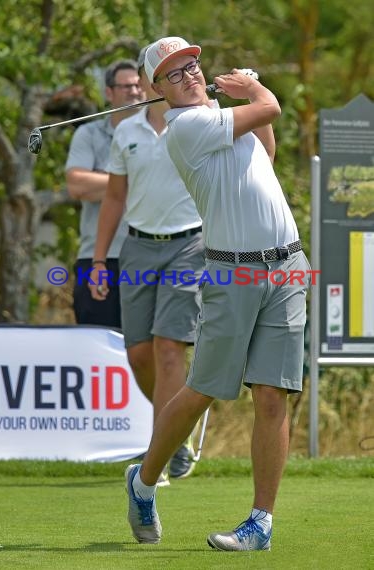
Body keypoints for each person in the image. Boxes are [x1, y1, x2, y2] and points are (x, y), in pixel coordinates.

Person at [124, 37, 311, 550]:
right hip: (234, 275)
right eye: (173, 73)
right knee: (203, 391)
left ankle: (260, 524)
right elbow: (270, 105)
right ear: (156, 90)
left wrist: (248, 101)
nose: (187, 75)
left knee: (274, 394)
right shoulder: (186, 128)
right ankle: (143, 482)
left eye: (191, 65)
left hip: (288, 266)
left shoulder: (224, 117)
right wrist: (254, 89)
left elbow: (266, 152)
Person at [88, 46, 204, 483]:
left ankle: (165, 449)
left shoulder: (197, 122)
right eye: (164, 73)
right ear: (152, 85)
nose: (177, 77)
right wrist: (99, 260)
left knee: (169, 345)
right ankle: (177, 431)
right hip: (136, 247)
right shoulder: (126, 132)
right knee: (138, 353)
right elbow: (115, 197)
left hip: (189, 245)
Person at [66, 59, 145, 328]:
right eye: (126, 87)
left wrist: (104, 183)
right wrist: (138, 175)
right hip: (99, 259)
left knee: (151, 354)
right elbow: (77, 185)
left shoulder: (165, 132)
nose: (135, 92)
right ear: (109, 93)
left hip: (151, 257)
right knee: (98, 347)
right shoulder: (88, 134)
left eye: (138, 86)